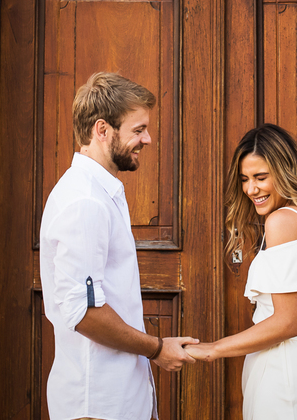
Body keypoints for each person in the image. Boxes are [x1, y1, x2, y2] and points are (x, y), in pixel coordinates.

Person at [39, 72, 197, 420]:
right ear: (102, 130)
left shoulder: (97, 193)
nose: (148, 139)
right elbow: (84, 313)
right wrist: (157, 348)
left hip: (114, 397)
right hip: (97, 402)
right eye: (138, 130)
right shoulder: (85, 202)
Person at [185, 124, 297, 419]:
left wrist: (212, 349)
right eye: (245, 179)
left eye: (260, 177)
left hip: (285, 378)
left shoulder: (282, 222)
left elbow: (287, 323)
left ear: (285, 172)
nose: (250, 189)